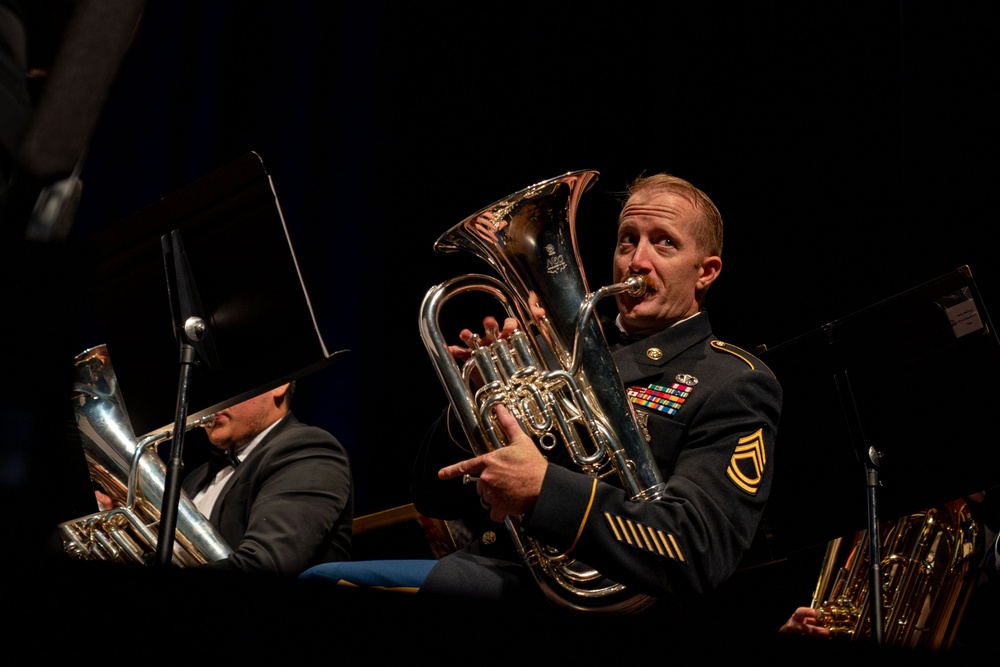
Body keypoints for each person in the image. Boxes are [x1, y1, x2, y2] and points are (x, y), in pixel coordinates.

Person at [300, 172, 783, 612]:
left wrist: (543, 491)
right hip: (496, 571)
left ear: (707, 271)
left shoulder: (733, 381)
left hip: (597, 602)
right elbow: (434, 497)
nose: (637, 260)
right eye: (626, 241)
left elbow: (697, 549)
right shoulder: (559, 349)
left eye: (664, 244)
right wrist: (476, 399)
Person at [97, 381, 354, 578]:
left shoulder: (308, 449)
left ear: (278, 386)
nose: (206, 400)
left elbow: (265, 565)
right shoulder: (195, 478)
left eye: (224, 384)